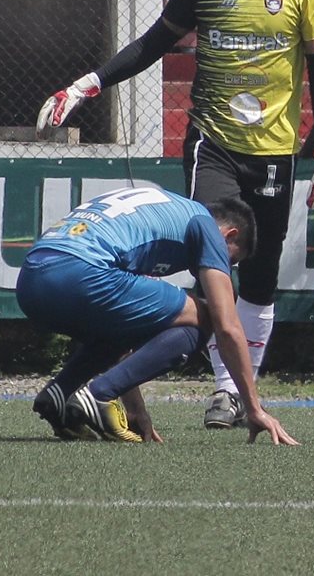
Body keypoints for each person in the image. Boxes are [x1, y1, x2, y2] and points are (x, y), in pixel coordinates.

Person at [36, 0, 314, 430]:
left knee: (261, 270)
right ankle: (125, 387)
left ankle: (231, 393)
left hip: (276, 149)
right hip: (214, 142)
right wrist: (90, 83)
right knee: (215, 248)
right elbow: (154, 43)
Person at [17, 186, 298, 445]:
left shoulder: (162, 209)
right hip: (82, 272)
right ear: (230, 235)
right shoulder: (205, 224)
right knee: (205, 317)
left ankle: (59, 394)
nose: (227, 269)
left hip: (31, 282)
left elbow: (124, 331)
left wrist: (135, 409)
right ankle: (98, 395)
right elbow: (227, 327)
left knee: (125, 326)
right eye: (231, 261)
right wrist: (253, 408)